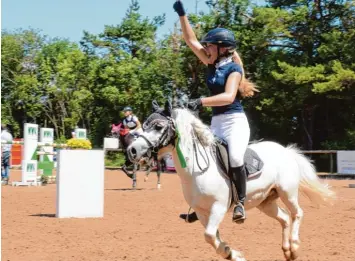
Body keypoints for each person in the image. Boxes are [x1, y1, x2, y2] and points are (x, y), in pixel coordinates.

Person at [173, 0, 258, 223]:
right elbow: (190, 41)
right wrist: (182, 15)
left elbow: (229, 97)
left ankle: (240, 202)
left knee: (236, 158)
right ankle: (201, 202)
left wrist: (200, 102)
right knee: (202, 157)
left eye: (210, 45)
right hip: (217, 122)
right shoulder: (213, 64)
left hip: (234, 123)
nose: (206, 48)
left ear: (222, 48)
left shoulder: (234, 69)